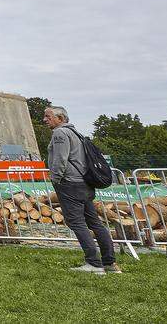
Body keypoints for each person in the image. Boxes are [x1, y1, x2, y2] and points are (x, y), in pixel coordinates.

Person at [45, 105, 120, 274]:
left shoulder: (60, 133)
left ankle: (93, 263)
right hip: (84, 183)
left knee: (76, 222)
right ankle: (109, 262)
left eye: (48, 116)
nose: (45, 119)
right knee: (95, 223)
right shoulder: (76, 133)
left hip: (70, 183)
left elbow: (60, 159)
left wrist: (55, 180)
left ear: (60, 118)